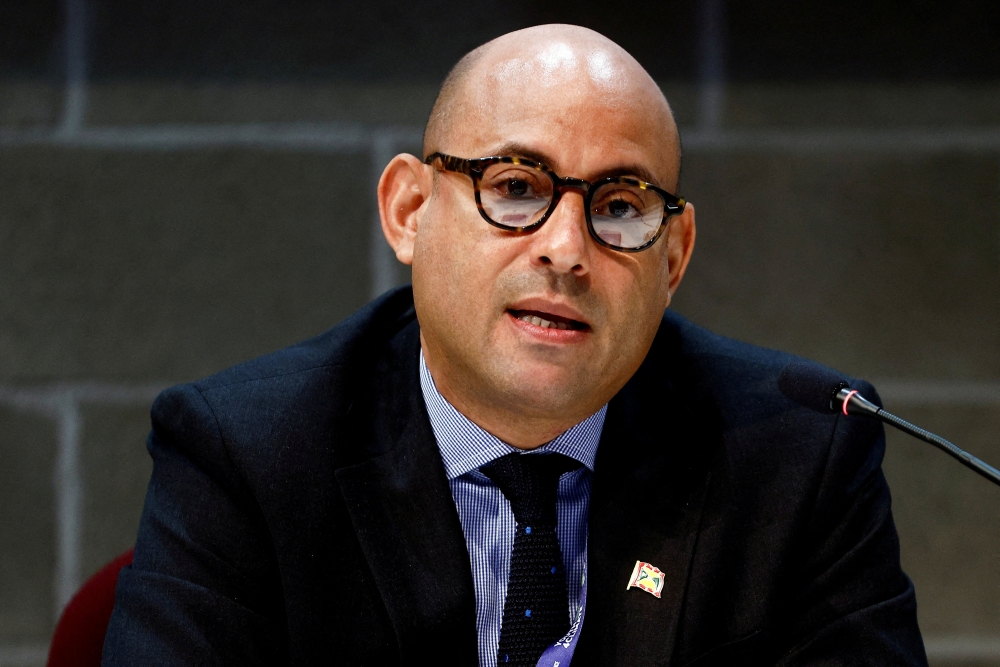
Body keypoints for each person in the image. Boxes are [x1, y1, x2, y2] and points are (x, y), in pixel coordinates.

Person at [103, 24, 927, 667]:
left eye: (620, 205)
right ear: (408, 211)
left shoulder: (800, 455)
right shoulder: (247, 452)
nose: (566, 248)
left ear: (672, 257)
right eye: (516, 188)